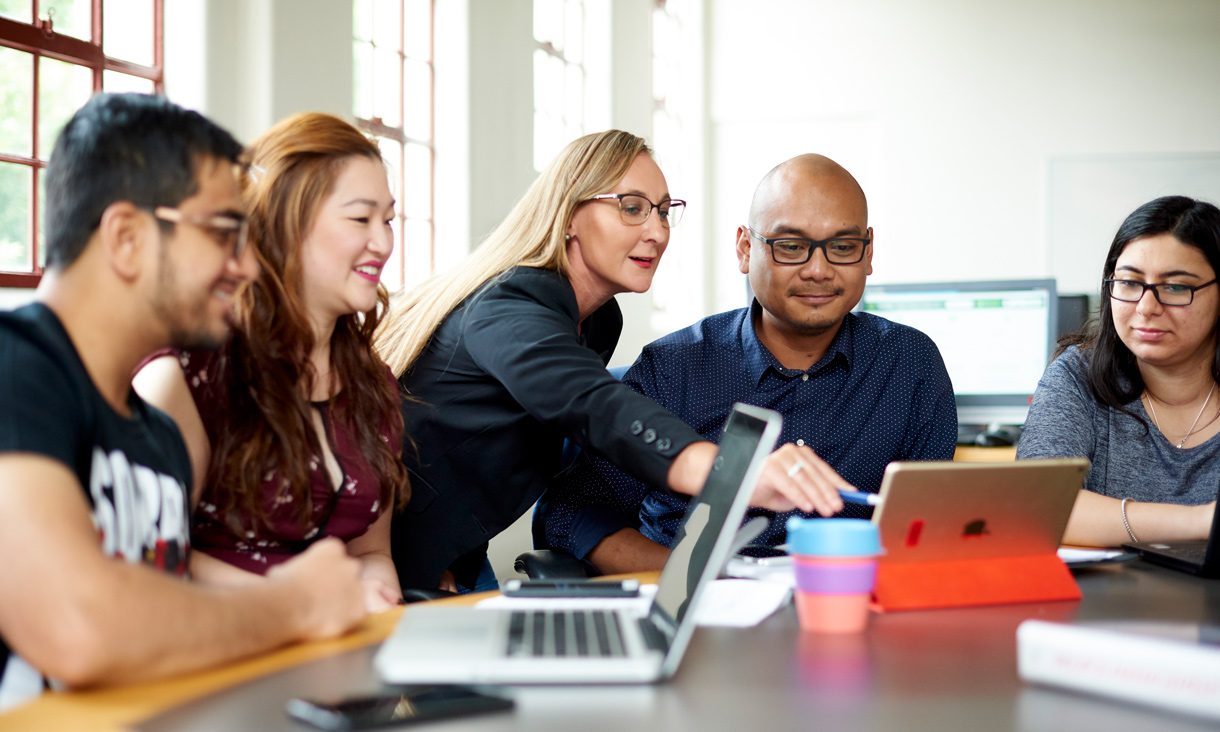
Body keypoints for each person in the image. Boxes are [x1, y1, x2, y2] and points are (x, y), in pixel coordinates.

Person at [0, 94, 366, 704]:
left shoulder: (161, 438)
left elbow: (158, 637)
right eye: (224, 232)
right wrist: (293, 602)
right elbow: (77, 629)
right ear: (126, 237)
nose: (248, 266)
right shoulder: (14, 368)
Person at [375, 131, 849, 593]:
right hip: (381, 558)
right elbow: (594, 408)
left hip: (452, 554)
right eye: (632, 207)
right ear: (568, 215)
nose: (658, 231)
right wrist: (734, 471)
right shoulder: (510, 306)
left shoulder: (598, 321)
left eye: (664, 212)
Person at [543, 153, 958, 574]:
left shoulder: (910, 365)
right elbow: (571, 513)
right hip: (699, 613)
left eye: (843, 247)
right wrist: (692, 576)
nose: (818, 270)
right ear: (745, 249)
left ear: (868, 253)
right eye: (791, 247)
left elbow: (930, 528)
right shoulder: (674, 369)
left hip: (845, 606)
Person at [135, 113, 409, 611]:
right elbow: (147, 556)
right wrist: (295, 602)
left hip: (331, 656)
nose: (384, 243)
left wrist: (375, 596)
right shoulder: (191, 375)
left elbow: (370, 552)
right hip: (215, 654)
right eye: (360, 218)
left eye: (387, 220)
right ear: (286, 222)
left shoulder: (373, 386)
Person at [1018, 196, 1220, 547]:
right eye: (1129, 283)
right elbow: (1035, 507)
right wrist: (1204, 521)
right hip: (1103, 600)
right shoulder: (1076, 375)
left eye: (1176, 287)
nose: (1146, 307)